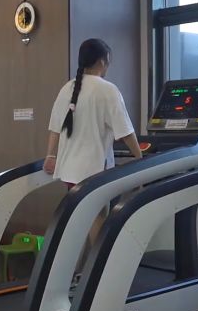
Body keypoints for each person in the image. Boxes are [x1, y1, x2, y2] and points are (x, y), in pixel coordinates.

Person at [45, 38, 141, 272]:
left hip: (70, 171)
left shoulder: (67, 88)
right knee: (96, 219)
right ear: (103, 61)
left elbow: (55, 128)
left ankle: (77, 272)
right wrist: (140, 160)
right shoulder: (107, 89)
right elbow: (125, 131)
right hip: (93, 170)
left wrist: (50, 156)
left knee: (83, 219)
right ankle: (99, 272)